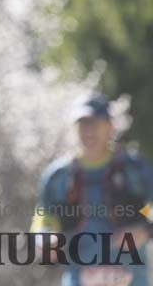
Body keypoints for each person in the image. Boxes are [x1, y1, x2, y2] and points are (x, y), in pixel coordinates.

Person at [31, 94, 153, 286]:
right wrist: (45, 238)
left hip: (131, 277)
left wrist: (145, 229)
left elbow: (150, 208)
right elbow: (45, 216)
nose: (88, 131)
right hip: (78, 276)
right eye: (82, 124)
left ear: (110, 126)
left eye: (95, 123)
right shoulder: (58, 176)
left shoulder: (135, 169)